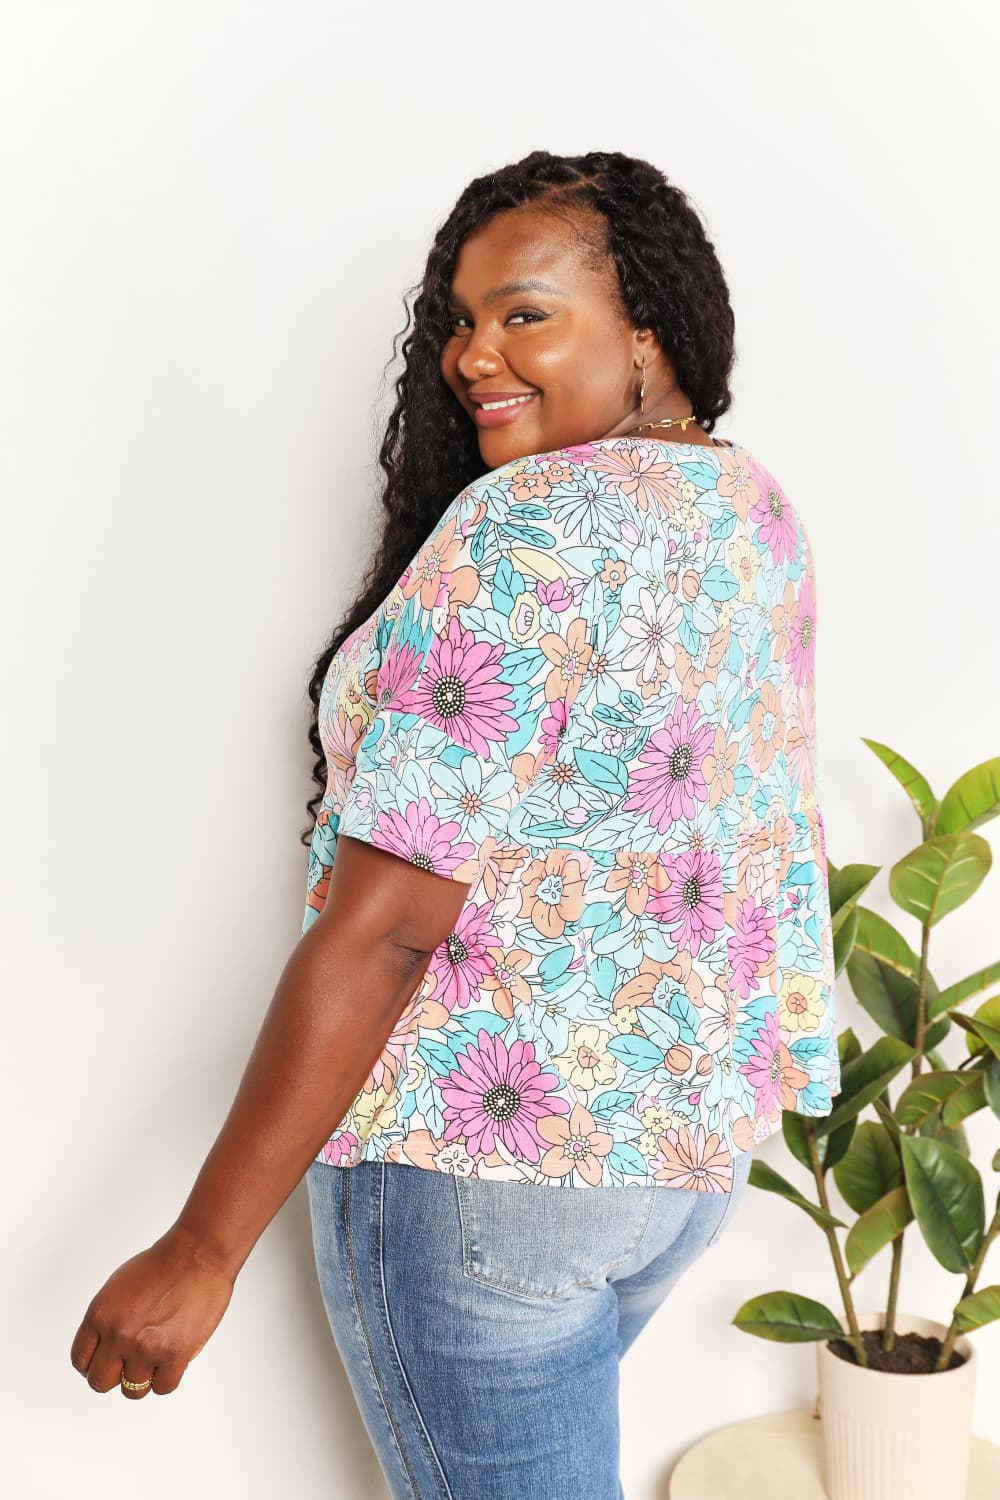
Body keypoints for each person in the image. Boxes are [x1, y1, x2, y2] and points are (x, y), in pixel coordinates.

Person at [70, 150, 840, 1499]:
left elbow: (388, 930)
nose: (473, 355)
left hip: (480, 1174)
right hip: (670, 1168)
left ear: (647, 327)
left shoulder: (521, 528)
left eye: (526, 312)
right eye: (461, 321)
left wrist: (199, 1250)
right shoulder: (750, 507)